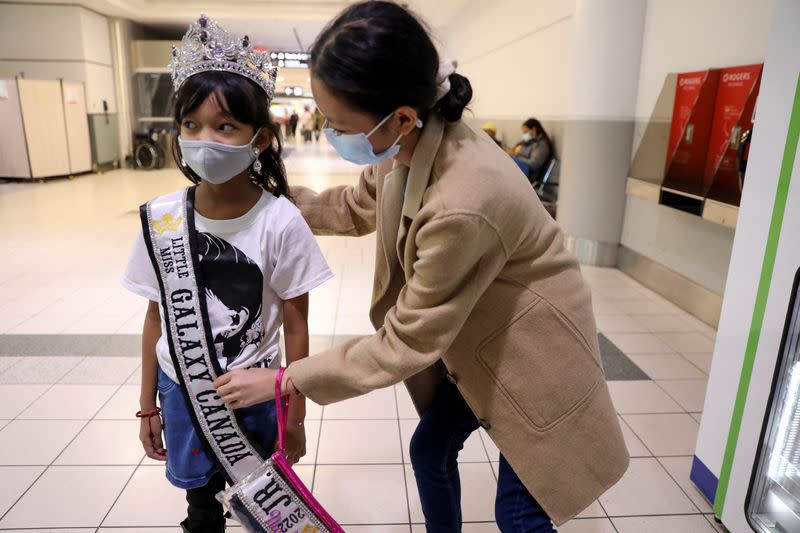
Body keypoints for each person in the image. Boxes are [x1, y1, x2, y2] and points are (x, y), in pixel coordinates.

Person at [213, 2, 629, 532]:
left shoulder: (464, 199)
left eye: (339, 124)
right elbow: (354, 206)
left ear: (401, 117)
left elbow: (405, 341)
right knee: (430, 448)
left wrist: (284, 379)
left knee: (520, 513)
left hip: (529, 351)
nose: (332, 135)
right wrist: (269, 201)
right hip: (477, 336)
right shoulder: (404, 144)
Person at [122, 16, 333, 533]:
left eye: (224, 127)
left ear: (259, 139)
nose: (203, 140)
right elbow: (156, 321)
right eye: (190, 125)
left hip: (258, 394)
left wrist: (296, 413)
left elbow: (299, 324)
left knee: (263, 502)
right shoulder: (163, 217)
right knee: (200, 508)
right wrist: (147, 407)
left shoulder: (281, 220)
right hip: (181, 388)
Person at [509, 118, 553, 183]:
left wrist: (515, 157)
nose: (524, 135)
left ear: (533, 129)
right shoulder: (529, 142)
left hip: (528, 175)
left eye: (526, 132)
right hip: (520, 171)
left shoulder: (541, 145)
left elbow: (533, 164)